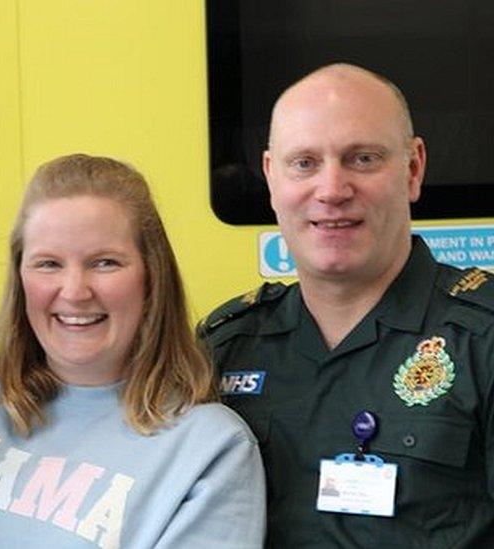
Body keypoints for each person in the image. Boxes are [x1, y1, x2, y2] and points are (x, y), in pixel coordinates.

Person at [0, 154, 266, 549]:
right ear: (21, 276)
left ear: (152, 276)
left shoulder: (210, 449)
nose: (76, 291)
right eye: (48, 264)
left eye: (105, 263)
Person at [201, 63, 494, 547]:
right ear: (272, 178)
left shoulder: (481, 340)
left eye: (362, 159)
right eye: (305, 163)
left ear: (413, 169)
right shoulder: (226, 346)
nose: (332, 190)